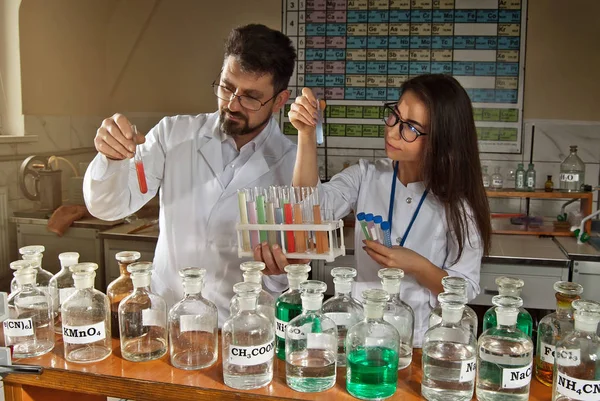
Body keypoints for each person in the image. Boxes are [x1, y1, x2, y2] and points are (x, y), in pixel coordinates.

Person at [83, 24, 298, 325]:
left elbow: (294, 273)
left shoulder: (294, 164)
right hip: (168, 322)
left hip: (242, 330)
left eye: (251, 97)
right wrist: (112, 158)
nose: (232, 104)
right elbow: (108, 207)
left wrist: (278, 274)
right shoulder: (173, 135)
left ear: (279, 99)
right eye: (226, 87)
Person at [287, 74, 491, 346]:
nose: (393, 131)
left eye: (411, 128)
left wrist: (416, 265)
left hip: (420, 342)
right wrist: (306, 135)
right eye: (394, 115)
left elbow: (465, 289)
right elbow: (310, 212)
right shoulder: (366, 175)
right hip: (362, 335)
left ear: (440, 139)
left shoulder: (456, 202)